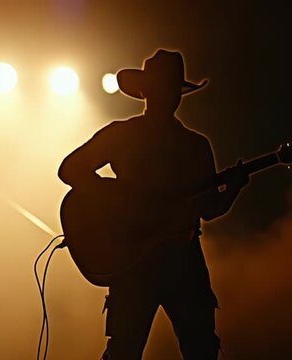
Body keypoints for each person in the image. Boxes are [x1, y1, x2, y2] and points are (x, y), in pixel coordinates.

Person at [58, 49, 249, 360]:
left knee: (196, 350)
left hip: (181, 259)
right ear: (146, 90)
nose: (169, 95)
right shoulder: (126, 135)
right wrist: (119, 197)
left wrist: (235, 187)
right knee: (126, 351)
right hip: (138, 264)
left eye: (172, 88)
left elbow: (209, 207)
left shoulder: (194, 144)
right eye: (164, 86)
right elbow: (70, 170)